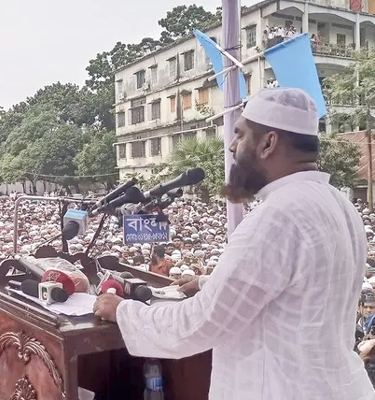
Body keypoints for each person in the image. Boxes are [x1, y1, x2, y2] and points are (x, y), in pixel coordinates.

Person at [93, 88, 375, 399]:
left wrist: (123, 311)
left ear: (268, 143)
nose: (231, 146)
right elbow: (300, 289)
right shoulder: (339, 204)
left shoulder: (277, 216)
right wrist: (207, 282)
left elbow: (198, 323)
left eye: (240, 135)